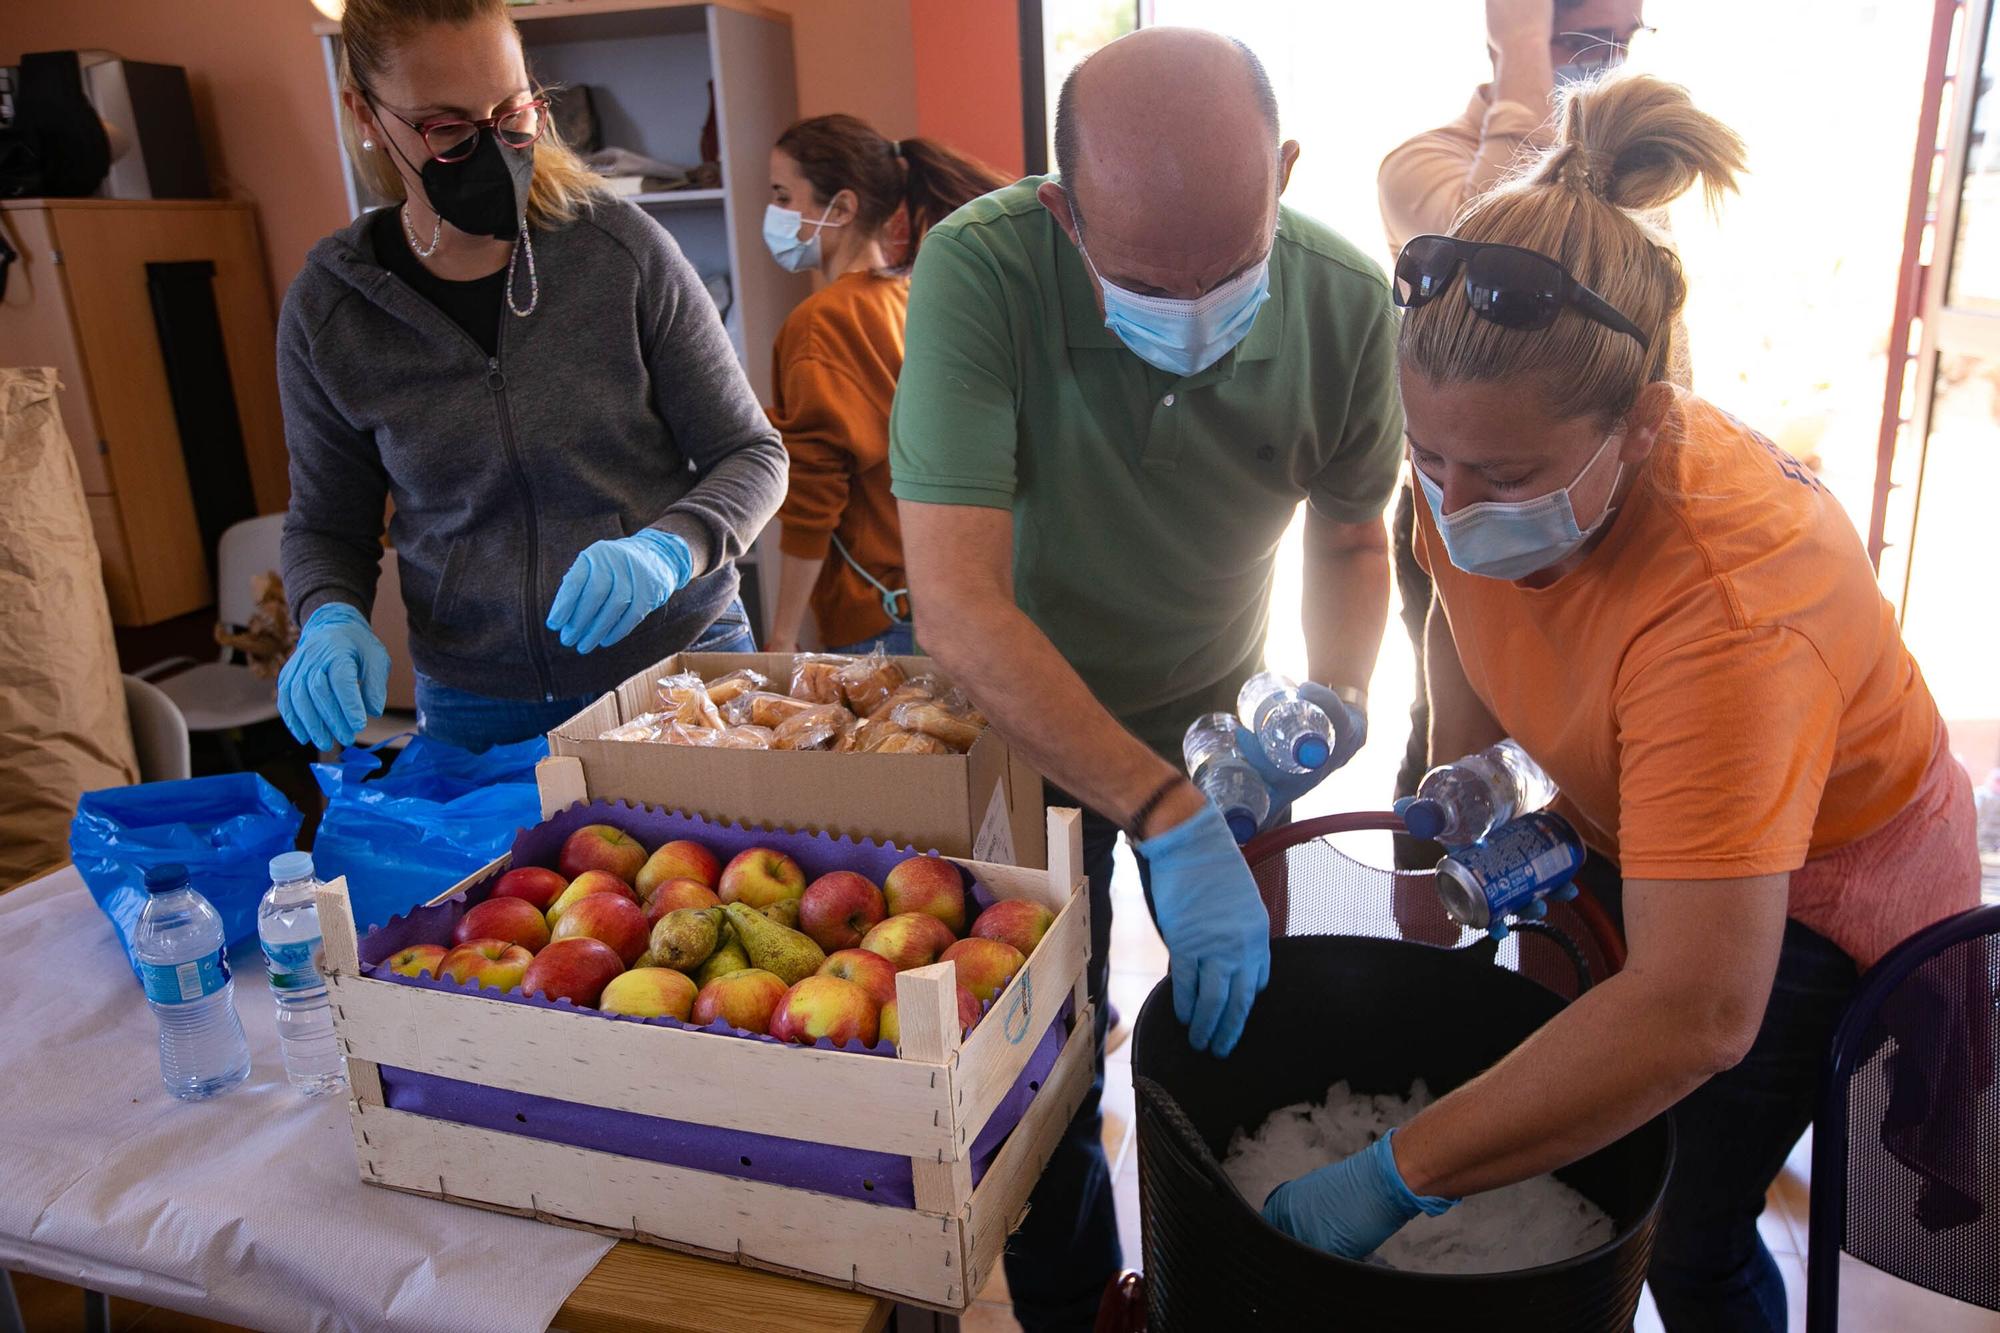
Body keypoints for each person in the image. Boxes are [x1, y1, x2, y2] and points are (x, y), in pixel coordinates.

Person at [1261, 75, 1982, 1333]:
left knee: (1682, 1229)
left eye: (1501, 476)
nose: (1455, 503)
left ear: (1642, 426)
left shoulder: (1732, 612)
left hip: (1813, 883)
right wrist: (1458, 787)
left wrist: (1386, 1177)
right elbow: (1454, 602)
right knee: (1561, 1112)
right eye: (1429, 458)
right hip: (1625, 811)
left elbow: (1695, 1009)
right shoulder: (1472, 459)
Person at [889, 28, 1403, 1330]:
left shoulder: (1347, 302)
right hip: (1013, 724)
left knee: (1245, 1034)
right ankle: (1083, 1313)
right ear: (1063, 214)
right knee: (1043, 1078)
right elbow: (957, 605)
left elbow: (1353, 538)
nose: (1192, 315)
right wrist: (1159, 813)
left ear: (1283, 175)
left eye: (1230, 273)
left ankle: (1240, 1292)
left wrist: (1335, 695)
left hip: (1219, 721)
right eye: (1143, 282)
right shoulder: (982, 269)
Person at [276, 0, 783, 754]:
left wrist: (670, 549)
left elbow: (752, 454)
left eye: (512, 115)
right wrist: (328, 613)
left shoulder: (620, 253)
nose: (493, 149)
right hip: (479, 700)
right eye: (448, 129)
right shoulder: (332, 311)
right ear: (365, 114)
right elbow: (326, 525)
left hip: (674, 664)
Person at [1376, 0, 1653, 858]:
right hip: (1516, 477)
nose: (1607, 59)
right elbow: (1490, 232)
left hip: (1592, 494)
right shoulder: (1420, 163)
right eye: (1586, 39)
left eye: (1626, 40)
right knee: (1451, 750)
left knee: (1586, 749)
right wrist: (1524, 55)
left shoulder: (1639, 186)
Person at [761, 115, 1008, 657]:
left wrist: (781, 634)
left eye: (782, 196)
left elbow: (813, 497)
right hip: (934, 599)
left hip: (877, 619)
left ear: (842, 208)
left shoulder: (821, 324)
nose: (774, 212)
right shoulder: (910, 297)